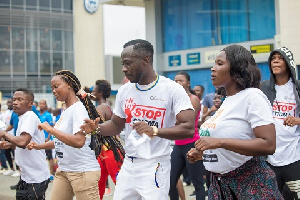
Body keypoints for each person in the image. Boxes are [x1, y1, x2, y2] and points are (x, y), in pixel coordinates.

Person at [81, 39, 195, 200]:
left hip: (155, 164)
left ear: (145, 60)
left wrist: (154, 130)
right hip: (129, 164)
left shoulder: (172, 89)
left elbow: (189, 128)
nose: (123, 69)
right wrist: (95, 128)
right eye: (122, 63)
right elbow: (116, 125)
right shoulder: (124, 91)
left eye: (127, 63)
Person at [187, 44, 283, 199]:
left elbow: (268, 144)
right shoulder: (228, 101)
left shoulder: (252, 96)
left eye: (219, 63)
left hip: (250, 186)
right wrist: (204, 154)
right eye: (214, 64)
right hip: (220, 186)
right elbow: (235, 140)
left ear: (237, 69)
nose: (213, 68)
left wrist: (218, 142)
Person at [28, 70, 123, 200]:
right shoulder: (66, 111)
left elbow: (79, 141)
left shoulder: (78, 109)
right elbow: (60, 141)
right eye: (52, 88)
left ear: (69, 84)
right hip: (64, 171)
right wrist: (39, 146)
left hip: (82, 172)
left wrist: (50, 129)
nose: (54, 91)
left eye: (56, 87)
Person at [260, 46, 300, 199]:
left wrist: (297, 120)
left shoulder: (298, 88)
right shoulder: (263, 88)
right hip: (269, 158)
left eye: (280, 58)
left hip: (294, 156)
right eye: (273, 59)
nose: (275, 61)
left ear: (289, 63)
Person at [0, 88, 50, 200]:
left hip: (36, 178)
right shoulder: (22, 118)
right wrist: (10, 145)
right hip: (26, 176)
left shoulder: (30, 117)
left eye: (19, 99)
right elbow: (23, 143)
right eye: (14, 100)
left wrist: (4, 133)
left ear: (30, 103)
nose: (15, 102)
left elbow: (23, 141)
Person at [169, 71, 205, 200]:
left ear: (188, 83)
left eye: (181, 80)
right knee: (171, 182)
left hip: (192, 144)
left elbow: (185, 122)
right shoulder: (174, 100)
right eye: (175, 80)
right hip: (178, 146)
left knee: (198, 184)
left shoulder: (193, 99)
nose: (177, 83)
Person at [91, 79, 124, 200]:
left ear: (99, 93)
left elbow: (95, 129)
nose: (92, 93)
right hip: (105, 151)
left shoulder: (100, 108)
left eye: (94, 91)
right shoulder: (107, 105)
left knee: (118, 182)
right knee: (99, 183)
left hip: (109, 151)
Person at [38, 100, 55, 181]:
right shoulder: (38, 115)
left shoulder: (48, 115)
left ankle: (51, 174)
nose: (41, 105)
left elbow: (51, 128)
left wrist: (48, 138)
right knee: (41, 157)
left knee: (50, 157)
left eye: (43, 104)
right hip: (39, 140)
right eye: (40, 104)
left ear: (45, 105)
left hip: (47, 140)